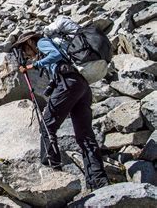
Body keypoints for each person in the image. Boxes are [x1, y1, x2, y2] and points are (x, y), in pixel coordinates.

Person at [13, 31, 109, 190]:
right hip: (81, 86)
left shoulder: (42, 42)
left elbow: (55, 55)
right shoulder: (54, 48)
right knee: (85, 135)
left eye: (24, 48)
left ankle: (52, 170)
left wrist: (32, 66)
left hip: (68, 84)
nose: (26, 53)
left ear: (30, 41)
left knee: (47, 125)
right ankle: (98, 180)